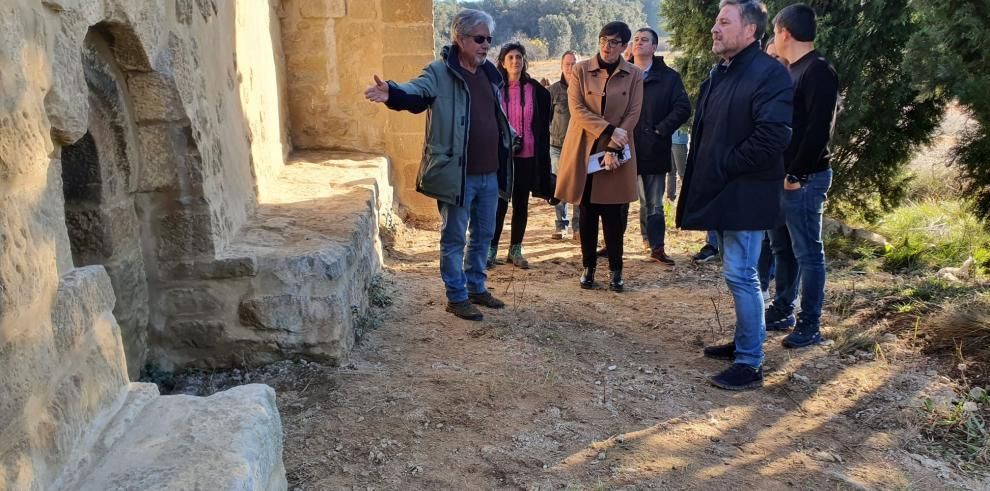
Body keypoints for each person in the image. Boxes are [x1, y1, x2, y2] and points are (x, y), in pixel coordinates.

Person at [364, 9, 511, 321]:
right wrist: (393, 92)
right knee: (455, 237)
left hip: (489, 172)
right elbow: (416, 92)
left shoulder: (489, 75)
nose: (486, 45)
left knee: (484, 235)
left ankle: (476, 287)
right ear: (459, 38)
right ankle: (456, 297)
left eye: (489, 39)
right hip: (457, 175)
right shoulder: (439, 72)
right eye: (479, 39)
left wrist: (510, 136)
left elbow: (492, 116)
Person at [676, 0, 793, 390]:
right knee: (737, 274)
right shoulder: (722, 72)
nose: (714, 28)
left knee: (743, 275)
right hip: (725, 192)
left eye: (724, 22)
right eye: (715, 21)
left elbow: (773, 135)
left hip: (746, 193)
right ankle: (746, 341)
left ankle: (750, 362)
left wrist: (725, 163)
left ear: (749, 32)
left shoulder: (768, 74)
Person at [765, 4, 840, 348]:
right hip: (784, 177)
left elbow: (817, 131)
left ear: (784, 32)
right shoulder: (792, 70)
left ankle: (810, 324)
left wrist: (795, 172)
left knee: (809, 253)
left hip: (804, 180)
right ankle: (782, 309)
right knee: (783, 248)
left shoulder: (818, 71)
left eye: (774, 33)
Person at [555, 21, 643, 292]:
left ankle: (616, 270)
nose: (607, 46)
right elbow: (577, 110)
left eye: (615, 42)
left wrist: (616, 144)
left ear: (624, 47)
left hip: (617, 150)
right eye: (604, 39)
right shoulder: (580, 70)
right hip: (586, 148)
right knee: (588, 211)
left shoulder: (635, 75)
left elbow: (633, 113)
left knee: (614, 215)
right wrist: (608, 131)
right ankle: (588, 267)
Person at [488, 43, 554, 269]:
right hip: (501, 157)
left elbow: (546, 120)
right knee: (498, 205)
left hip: (527, 157)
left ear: (524, 61)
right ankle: (491, 249)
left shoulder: (535, 90)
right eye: (510, 57)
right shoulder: (494, 88)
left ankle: (515, 250)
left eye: (519, 57)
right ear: (503, 62)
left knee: (521, 204)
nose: (515, 61)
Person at [629, 27, 691, 265]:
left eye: (644, 40)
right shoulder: (621, 74)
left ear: (654, 47)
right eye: (636, 40)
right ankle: (616, 244)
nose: (639, 43)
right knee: (621, 200)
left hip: (654, 148)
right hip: (626, 148)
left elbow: (683, 108)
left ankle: (656, 246)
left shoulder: (669, 77)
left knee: (653, 201)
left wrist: (661, 129)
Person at [549, 51, 580, 240]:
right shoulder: (553, 91)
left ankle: (578, 228)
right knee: (559, 187)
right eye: (567, 64)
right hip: (557, 146)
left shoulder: (584, 89)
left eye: (574, 64)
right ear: (561, 66)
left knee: (579, 188)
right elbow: (546, 119)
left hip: (579, 147)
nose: (570, 68)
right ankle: (561, 225)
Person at [667, 128, 689, 201]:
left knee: (682, 173)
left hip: (680, 143)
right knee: (670, 172)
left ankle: (688, 196)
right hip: (668, 141)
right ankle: (670, 197)